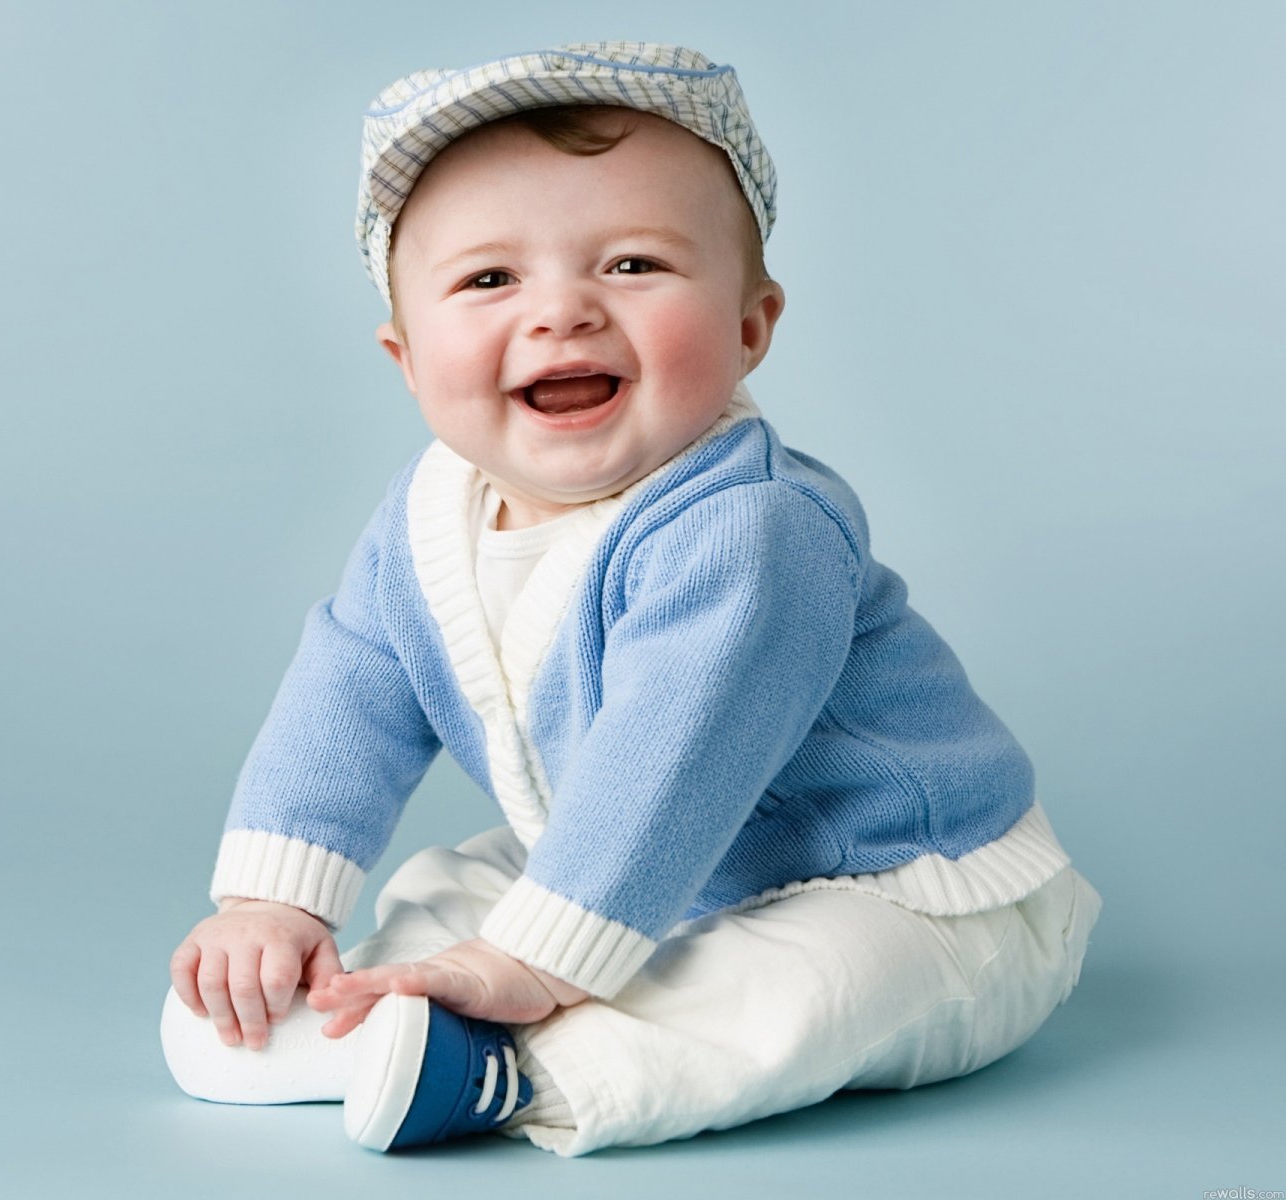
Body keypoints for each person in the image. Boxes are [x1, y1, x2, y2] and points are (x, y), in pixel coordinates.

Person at [158, 41, 1102, 1157]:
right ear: (407, 359)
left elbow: (673, 753)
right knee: (447, 882)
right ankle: (358, 1010)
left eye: (634, 266)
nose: (562, 312)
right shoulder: (427, 519)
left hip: (908, 888)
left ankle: (516, 1069)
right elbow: (349, 692)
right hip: (650, 861)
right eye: (489, 279)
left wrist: (530, 962)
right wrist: (275, 903)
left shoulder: (752, 526)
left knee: (817, 986)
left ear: (751, 325)